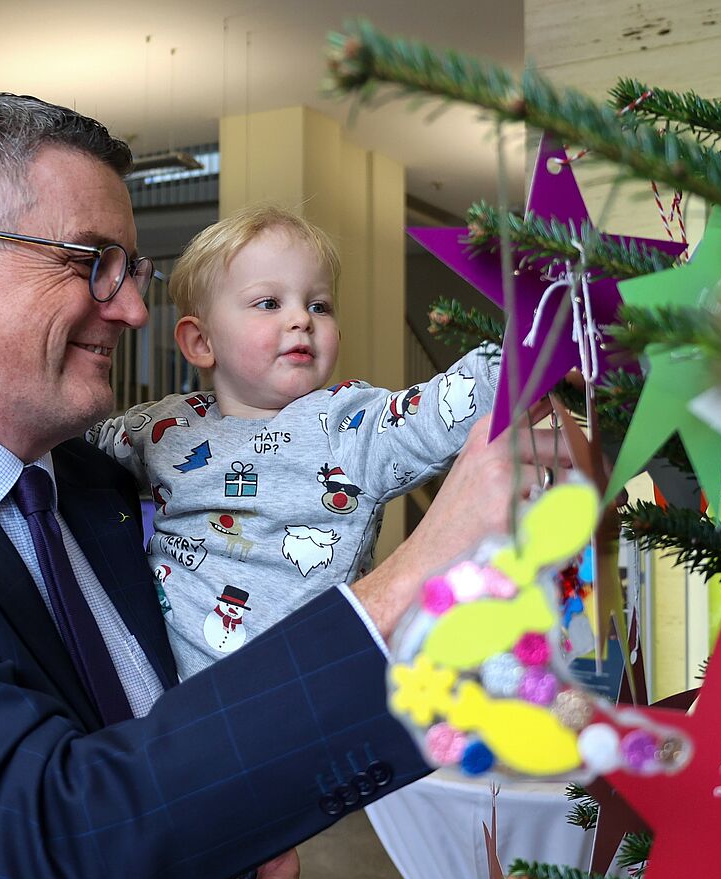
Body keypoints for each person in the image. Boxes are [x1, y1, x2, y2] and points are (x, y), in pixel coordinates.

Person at [0, 92, 559, 879]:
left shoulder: (103, 481)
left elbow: (152, 763)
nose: (132, 309)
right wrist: (418, 578)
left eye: (131, 271)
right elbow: (43, 847)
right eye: (92, 261)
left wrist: (212, 875)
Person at [89, 206, 498, 677]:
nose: (302, 318)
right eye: (269, 303)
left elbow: (444, 405)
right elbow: (73, 446)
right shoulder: (164, 427)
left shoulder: (346, 422)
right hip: (174, 695)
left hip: (308, 688)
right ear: (201, 342)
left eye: (319, 305)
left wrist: (529, 346)